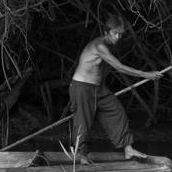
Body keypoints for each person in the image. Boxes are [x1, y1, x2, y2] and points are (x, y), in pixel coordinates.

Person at [69, 13, 163, 164]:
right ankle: (80, 155)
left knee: (116, 111)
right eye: (115, 33)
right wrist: (146, 74)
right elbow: (119, 67)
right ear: (106, 32)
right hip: (82, 88)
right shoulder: (99, 46)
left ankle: (128, 148)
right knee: (83, 121)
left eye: (121, 34)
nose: (118, 37)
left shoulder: (107, 45)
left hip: (98, 89)